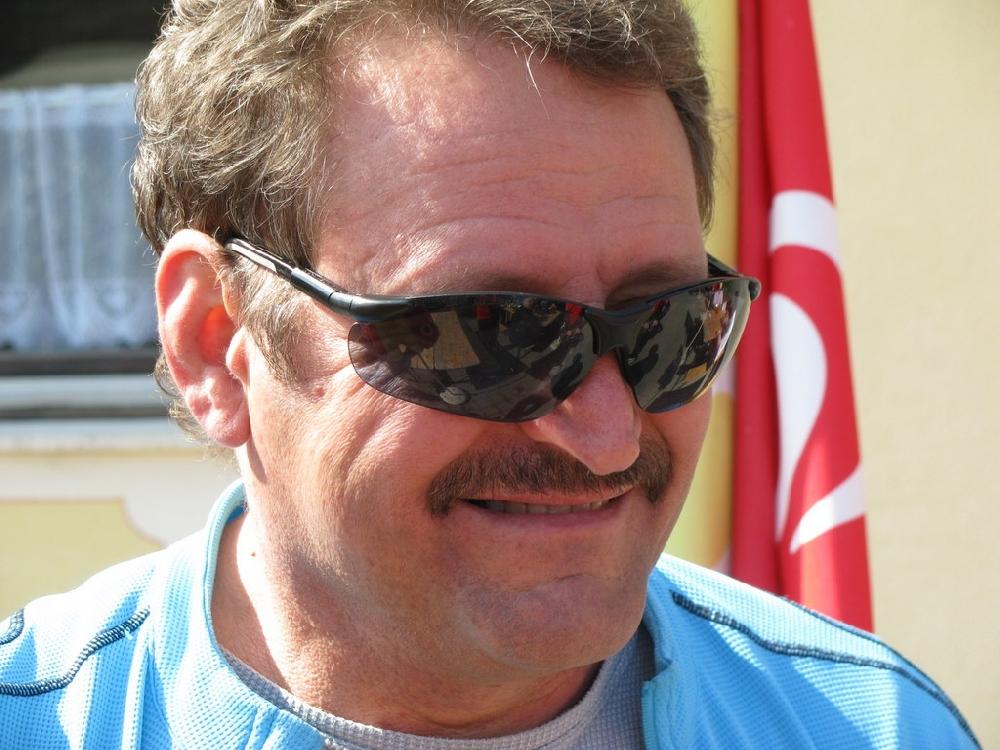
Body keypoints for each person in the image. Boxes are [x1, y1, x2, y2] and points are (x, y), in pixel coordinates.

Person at [0, 1, 980, 747]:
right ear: (218, 341)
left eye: (671, 327)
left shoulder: (870, 726)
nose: (607, 436)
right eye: (486, 336)